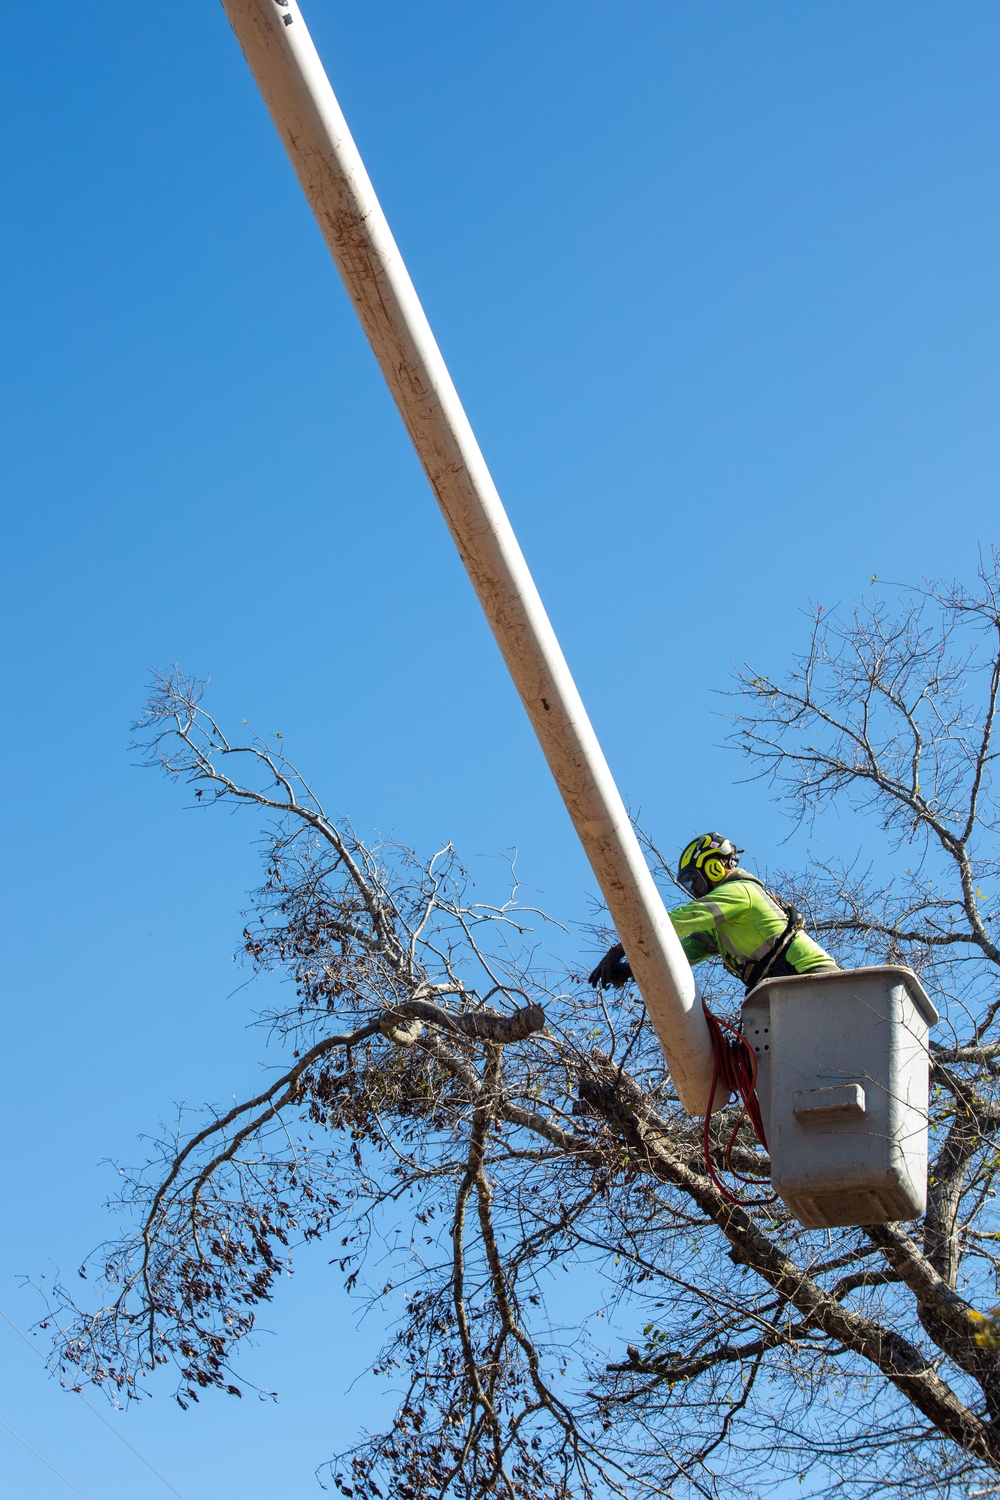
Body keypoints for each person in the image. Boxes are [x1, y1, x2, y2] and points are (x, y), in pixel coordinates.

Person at [588, 832, 837, 993]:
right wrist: (635, 967)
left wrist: (619, 949)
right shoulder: (721, 925)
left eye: (694, 880)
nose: (694, 889)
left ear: (714, 866)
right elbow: (682, 952)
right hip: (784, 987)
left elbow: (679, 921)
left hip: (812, 977)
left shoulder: (740, 891)